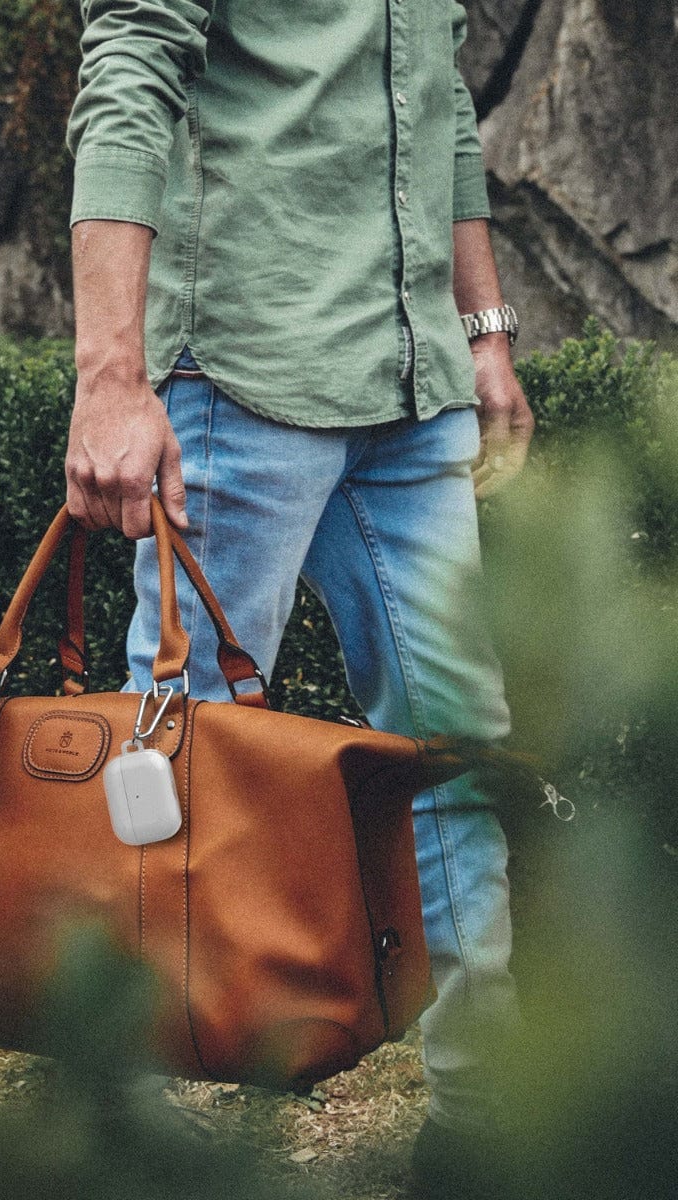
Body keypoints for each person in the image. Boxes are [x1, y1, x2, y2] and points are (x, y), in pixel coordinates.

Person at [63, 2, 534, 1195]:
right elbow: (128, 65)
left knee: (456, 753)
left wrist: (482, 335)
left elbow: (442, 104)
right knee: (168, 769)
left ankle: (484, 1131)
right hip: (243, 375)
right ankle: (110, 1123)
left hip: (416, 385)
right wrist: (111, 377)